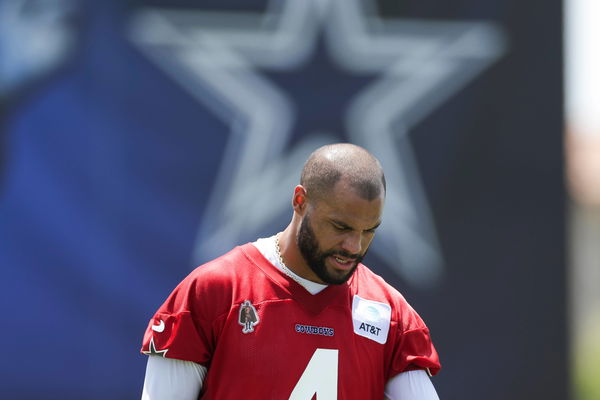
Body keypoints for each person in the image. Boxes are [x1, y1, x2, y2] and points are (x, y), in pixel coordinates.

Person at [140, 143, 441, 399]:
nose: (354, 245)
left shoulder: (392, 315)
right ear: (300, 201)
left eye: (369, 231)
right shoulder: (214, 292)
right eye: (341, 227)